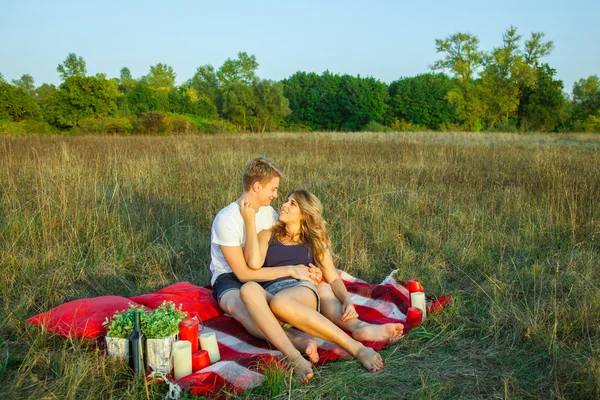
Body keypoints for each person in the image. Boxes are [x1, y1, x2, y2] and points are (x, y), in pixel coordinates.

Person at [239, 189, 403, 374]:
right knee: (248, 289)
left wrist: (347, 300)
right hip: (271, 292)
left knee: (284, 300)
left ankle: (356, 347)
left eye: (292, 204)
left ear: (305, 214)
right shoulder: (267, 235)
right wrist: (249, 221)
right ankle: (294, 354)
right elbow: (253, 265)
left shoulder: (314, 242)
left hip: (300, 290)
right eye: (286, 201)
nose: (284, 205)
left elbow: (333, 277)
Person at [209, 157, 322, 381]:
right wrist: (291, 270)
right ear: (257, 186)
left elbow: (285, 246)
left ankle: (290, 335)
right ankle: (294, 350)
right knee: (240, 307)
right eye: (273, 189)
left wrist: (310, 268)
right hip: (229, 277)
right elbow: (242, 274)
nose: (275, 195)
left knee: (276, 309)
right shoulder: (226, 219)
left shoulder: (269, 213)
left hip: (263, 272)